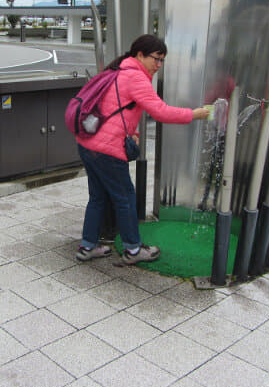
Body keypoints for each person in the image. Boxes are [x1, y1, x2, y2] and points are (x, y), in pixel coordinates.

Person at [75, 34, 210, 264]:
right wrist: (194, 114)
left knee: (98, 196)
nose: (158, 65)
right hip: (107, 149)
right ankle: (133, 250)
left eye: (162, 61)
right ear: (139, 54)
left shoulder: (118, 71)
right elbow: (161, 112)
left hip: (87, 142)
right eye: (156, 59)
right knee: (125, 197)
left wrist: (133, 132)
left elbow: (118, 107)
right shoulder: (136, 77)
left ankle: (87, 246)